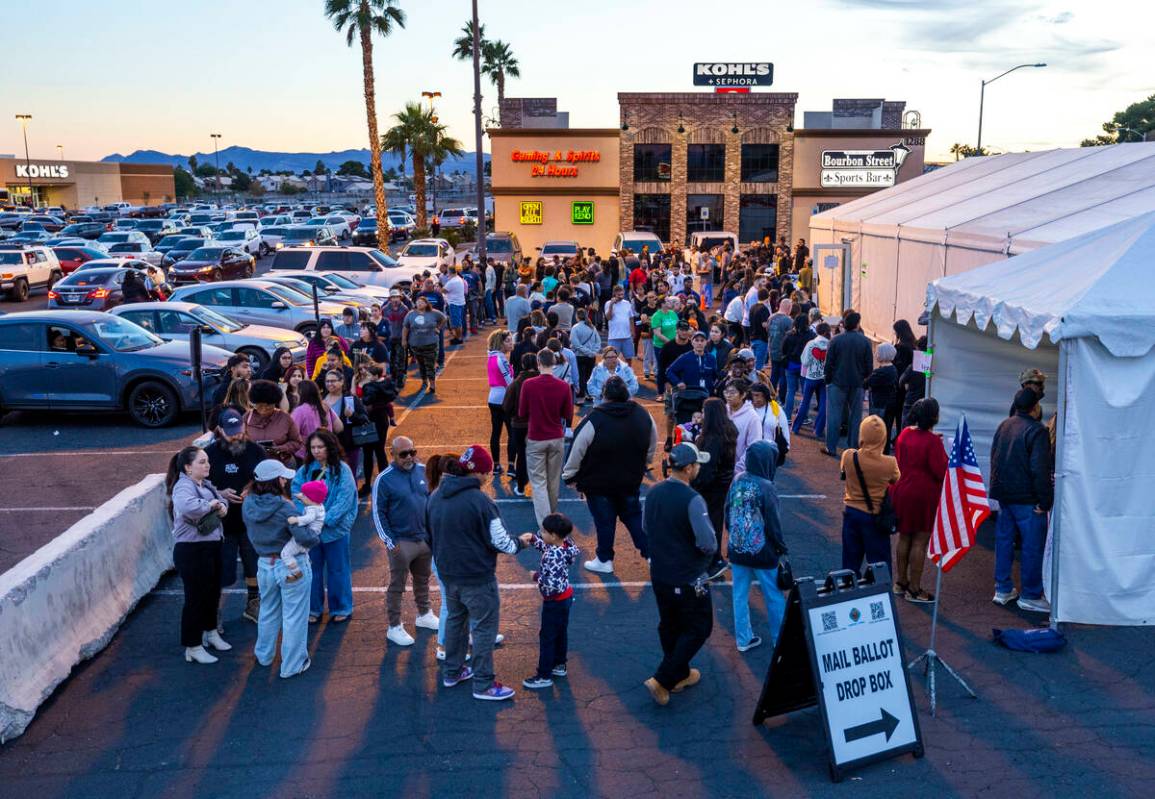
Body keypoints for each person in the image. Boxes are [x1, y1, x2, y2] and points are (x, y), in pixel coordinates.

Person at [428, 446, 527, 701]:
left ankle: (452, 671)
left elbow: (429, 533)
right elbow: (502, 542)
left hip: (448, 573)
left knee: (455, 621)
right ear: (481, 473)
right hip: (477, 577)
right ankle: (483, 684)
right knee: (483, 629)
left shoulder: (436, 495)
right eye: (488, 472)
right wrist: (522, 542)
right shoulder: (482, 501)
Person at [642, 442, 718, 706]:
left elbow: (646, 528)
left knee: (670, 623)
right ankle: (663, 678)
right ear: (688, 468)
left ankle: (680, 674)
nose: (698, 469)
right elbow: (708, 542)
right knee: (699, 627)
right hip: (688, 575)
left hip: (660, 572)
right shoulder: (693, 499)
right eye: (697, 464)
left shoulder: (653, 493)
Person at [563, 375, 656, 574]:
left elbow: (577, 447)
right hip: (630, 479)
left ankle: (605, 558)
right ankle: (651, 554)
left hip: (598, 483)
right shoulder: (643, 414)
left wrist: (569, 476)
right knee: (633, 516)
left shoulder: (595, 418)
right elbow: (651, 443)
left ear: (604, 395)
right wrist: (644, 463)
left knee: (604, 521)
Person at [243, 459, 319, 678]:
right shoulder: (286, 507)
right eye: (282, 477)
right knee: (294, 616)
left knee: (268, 610)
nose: (286, 480)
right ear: (275, 480)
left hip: (265, 564)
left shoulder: (248, 503)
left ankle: (264, 655)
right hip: (290, 566)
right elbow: (304, 538)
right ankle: (292, 665)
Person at [990, 388, 1054, 612]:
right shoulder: (1037, 431)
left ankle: (1003, 588)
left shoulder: (1004, 425)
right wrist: (1045, 501)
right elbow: (1040, 469)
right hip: (1027, 498)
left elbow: (994, 457)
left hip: (1004, 494)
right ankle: (1031, 594)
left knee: (1004, 541)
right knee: (1032, 546)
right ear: (1035, 407)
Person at [372, 435, 439, 646]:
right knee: (397, 586)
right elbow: (378, 513)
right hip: (402, 541)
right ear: (392, 454)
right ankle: (394, 626)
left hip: (424, 540)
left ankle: (424, 614)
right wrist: (391, 543)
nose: (409, 457)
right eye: (403, 454)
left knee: (423, 579)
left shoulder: (422, 471)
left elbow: (431, 502)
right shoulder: (384, 479)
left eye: (412, 452)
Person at [167, 446, 231, 664]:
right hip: (192, 550)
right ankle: (193, 645)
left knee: (212, 593)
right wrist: (212, 504)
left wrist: (222, 505)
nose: (207, 465)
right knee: (195, 598)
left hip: (211, 546)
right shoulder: (183, 486)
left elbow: (222, 500)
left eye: (207, 461)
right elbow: (187, 507)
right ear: (188, 467)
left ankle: (210, 632)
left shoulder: (204, 484)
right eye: (202, 462)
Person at [726, 439, 787, 652]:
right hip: (763, 552)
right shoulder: (767, 487)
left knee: (739, 594)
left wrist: (734, 536)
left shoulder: (737, 480)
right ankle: (779, 639)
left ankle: (743, 638)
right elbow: (774, 523)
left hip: (737, 547)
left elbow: (728, 512)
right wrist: (781, 547)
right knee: (773, 594)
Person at [205, 410, 265, 624]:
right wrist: (219, 493)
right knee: (221, 569)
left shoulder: (256, 451)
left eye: (239, 431)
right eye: (230, 433)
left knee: (254, 565)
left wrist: (252, 487)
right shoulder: (208, 454)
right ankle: (215, 612)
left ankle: (253, 603)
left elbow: (266, 479)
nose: (236, 436)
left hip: (250, 522)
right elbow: (197, 484)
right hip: (221, 525)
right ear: (219, 430)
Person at [291, 430, 358, 623]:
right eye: (313, 448)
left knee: (338, 570)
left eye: (320, 447)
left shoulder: (343, 470)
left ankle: (341, 607)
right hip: (311, 530)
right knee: (312, 570)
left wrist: (323, 519)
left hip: (334, 530)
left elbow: (345, 499)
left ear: (330, 447)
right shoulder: (305, 470)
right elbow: (296, 491)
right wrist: (308, 515)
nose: (317, 451)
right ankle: (313, 608)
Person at [891, 398, 948, 603]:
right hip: (923, 495)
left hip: (902, 490)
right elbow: (941, 471)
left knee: (904, 537)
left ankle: (901, 582)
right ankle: (914, 588)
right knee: (920, 541)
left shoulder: (904, 434)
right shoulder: (932, 442)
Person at [519, 513, 580, 690]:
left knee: (547, 637)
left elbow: (550, 583)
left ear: (553, 535)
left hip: (554, 601)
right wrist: (534, 539)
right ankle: (560, 664)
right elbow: (547, 547)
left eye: (543, 532)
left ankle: (544, 675)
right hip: (565, 597)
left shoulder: (553, 555)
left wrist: (536, 576)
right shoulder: (564, 546)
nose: (541, 534)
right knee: (560, 632)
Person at [839, 416, 901, 577]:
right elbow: (896, 479)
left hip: (851, 513)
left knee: (850, 565)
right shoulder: (890, 463)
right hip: (875, 517)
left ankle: (849, 595)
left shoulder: (849, 456)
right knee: (880, 564)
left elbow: (843, 472)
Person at [519, 348, 574, 526]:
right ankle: (551, 518)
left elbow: (522, 412)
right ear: (554, 362)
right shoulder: (564, 386)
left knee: (538, 483)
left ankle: (546, 524)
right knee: (553, 481)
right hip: (556, 437)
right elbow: (567, 413)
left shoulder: (529, 385)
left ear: (539, 363)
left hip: (536, 437)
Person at [692, 397, 737, 581]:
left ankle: (711, 561)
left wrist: (694, 484)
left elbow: (707, 469)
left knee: (707, 524)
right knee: (716, 522)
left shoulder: (712, 438)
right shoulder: (729, 431)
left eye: (704, 411)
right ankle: (715, 559)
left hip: (711, 487)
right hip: (723, 484)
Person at [823, 310, 874, 456]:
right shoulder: (865, 341)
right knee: (855, 416)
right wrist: (864, 378)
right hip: (857, 383)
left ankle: (831, 447)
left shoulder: (835, 340)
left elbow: (829, 363)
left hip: (837, 382)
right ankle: (852, 447)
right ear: (857, 324)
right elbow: (869, 365)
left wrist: (828, 378)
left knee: (834, 415)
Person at [503, 352, 538, 494]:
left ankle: (522, 485)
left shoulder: (516, 383)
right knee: (538, 455)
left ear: (523, 364)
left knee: (522, 454)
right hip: (538, 424)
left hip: (519, 424)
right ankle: (539, 486)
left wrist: (514, 415)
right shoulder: (541, 380)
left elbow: (506, 406)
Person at [245, 380, 303, 467]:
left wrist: (280, 449)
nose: (264, 409)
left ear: (275, 403)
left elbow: (297, 442)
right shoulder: (247, 417)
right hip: (254, 464)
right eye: (260, 406)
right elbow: (237, 441)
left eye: (268, 406)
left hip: (281, 464)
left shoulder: (285, 418)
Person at [359, 364, 397, 494]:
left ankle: (367, 484)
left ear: (375, 376)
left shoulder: (369, 387)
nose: (366, 376)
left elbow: (366, 401)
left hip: (369, 420)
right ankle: (384, 483)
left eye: (369, 374)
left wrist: (359, 385)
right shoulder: (386, 385)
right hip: (382, 419)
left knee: (368, 453)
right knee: (380, 451)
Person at [403, 294, 446, 394]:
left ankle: (432, 384)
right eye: (417, 303)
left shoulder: (434, 313)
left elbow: (444, 318)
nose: (419, 304)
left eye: (421, 303)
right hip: (416, 345)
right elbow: (405, 327)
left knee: (430, 364)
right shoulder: (411, 314)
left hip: (431, 344)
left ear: (426, 304)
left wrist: (438, 328)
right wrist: (404, 340)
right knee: (421, 364)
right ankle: (424, 381)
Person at [485, 330, 515, 475]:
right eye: (508, 340)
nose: (511, 343)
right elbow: (509, 382)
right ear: (500, 343)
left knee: (495, 433)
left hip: (493, 398)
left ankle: (496, 465)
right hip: (505, 399)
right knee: (512, 433)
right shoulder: (501, 359)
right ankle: (511, 466)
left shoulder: (491, 356)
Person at [284, 480, 326, 581]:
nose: (301, 496)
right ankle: (306, 564)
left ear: (311, 498)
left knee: (285, 553)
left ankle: (296, 572)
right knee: (303, 551)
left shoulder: (312, 509)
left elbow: (308, 519)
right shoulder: (319, 506)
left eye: (304, 495)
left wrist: (296, 520)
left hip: (308, 533)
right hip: (312, 535)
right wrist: (301, 496)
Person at [794, 322, 829, 437]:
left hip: (811, 376)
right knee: (824, 403)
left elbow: (804, 361)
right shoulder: (830, 344)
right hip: (824, 377)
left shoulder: (811, 344)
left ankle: (796, 427)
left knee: (805, 401)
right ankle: (818, 430)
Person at [722, 379, 764, 476]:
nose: (728, 396)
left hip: (738, 472)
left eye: (732, 392)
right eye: (726, 392)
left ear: (743, 395)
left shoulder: (752, 418)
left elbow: (753, 447)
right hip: (721, 468)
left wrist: (738, 469)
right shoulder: (723, 410)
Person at [864, 342, 899, 448]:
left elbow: (866, 383)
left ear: (882, 354)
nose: (875, 354)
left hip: (879, 404)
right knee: (886, 431)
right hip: (890, 403)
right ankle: (884, 452)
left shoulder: (880, 372)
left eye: (877, 352)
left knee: (876, 431)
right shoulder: (893, 369)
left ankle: (876, 453)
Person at [665, 331, 719, 398]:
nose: (699, 343)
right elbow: (669, 371)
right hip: (690, 395)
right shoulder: (685, 357)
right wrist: (678, 382)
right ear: (692, 342)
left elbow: (715, 376)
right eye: (696, 340)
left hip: (707, 395)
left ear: (706, 342)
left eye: (702, 341)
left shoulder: (711, 358)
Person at [781, 315, 813, 423]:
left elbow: (783, 349)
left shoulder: (789, 335)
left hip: (791, 365)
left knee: (790, 391)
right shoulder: (811, 336)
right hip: (804, 367)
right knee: (805, 393)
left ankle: (787, 417)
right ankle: (804, 416)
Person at [749, 383, 790, 458]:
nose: (754, 398)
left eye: (757, 395)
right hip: (749, 451)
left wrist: (786, 447)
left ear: (765, 395)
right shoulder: (747, 407)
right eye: (752, 395)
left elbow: (784, 429)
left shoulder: (776, 409)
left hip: (769, 453)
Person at [569, 308, 601, 401]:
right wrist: (593, 352)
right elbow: (598, 342)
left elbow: (576, 344)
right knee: (589, 376)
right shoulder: (592, 327)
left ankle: (580, 397)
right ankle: (588, 394)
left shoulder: (575, 327)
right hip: (591, 357)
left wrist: (587, 352)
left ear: (577, 316)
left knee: (580, 377)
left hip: (579, 356)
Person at [767, 298, 794, 398]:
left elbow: (768, 332)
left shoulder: (771, 317)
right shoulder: (789, 321)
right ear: (789, 308)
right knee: (783, 377)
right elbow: (791, 338)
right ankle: (782, 398)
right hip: (784, 353)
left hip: (772, 350)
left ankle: (771, 395)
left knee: (774, 375)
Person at [604, 284, 636, 364]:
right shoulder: (608, 303)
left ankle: (628, 375)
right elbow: (608, 317)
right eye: (619, 295)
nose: (621, 296)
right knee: (611, 359)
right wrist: (611, 305)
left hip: (627, 336)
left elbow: (631, 318)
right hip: (614, 337)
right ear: (614, 294)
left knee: (629, 358)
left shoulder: (627, 303)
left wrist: (633, 331)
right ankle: (612, 375)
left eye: (622, 294)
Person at [444, 267, 467, 345]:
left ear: (450, 272)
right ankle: (458, 337)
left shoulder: (452, 282)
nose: (447, 274)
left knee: (456, 323)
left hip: (455, 304)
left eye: (448, 272)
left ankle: (458, 338)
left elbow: (443, 290)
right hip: (460, 302)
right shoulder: (459, 279)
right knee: (458, 322)